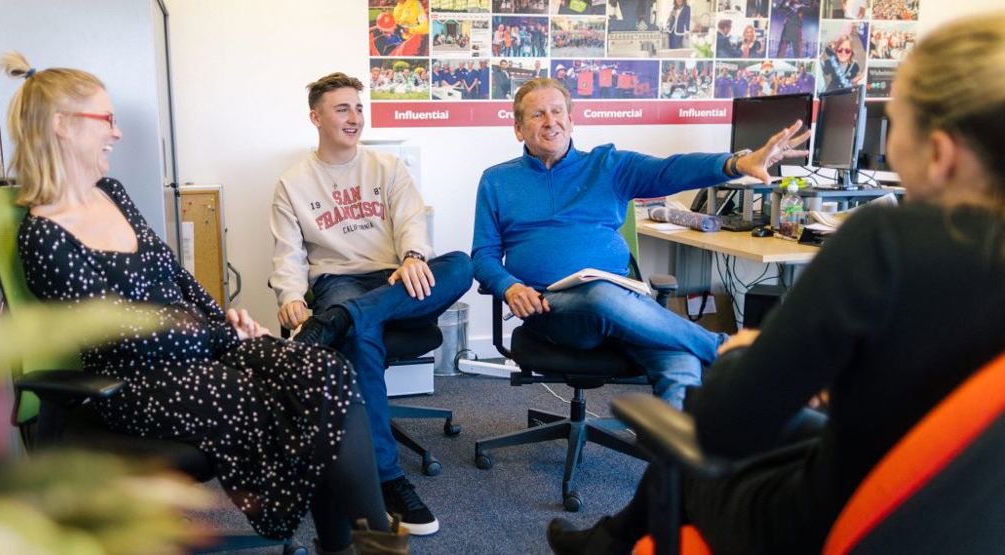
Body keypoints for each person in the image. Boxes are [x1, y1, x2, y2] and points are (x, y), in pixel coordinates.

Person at [547, 11, 1005, 554]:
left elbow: (722, 428)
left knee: (690, 455)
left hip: (829, 518)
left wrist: (744, 356)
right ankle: (608, 541)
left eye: (893, 124)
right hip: (945, 515)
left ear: (940, 153)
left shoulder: (888, 242)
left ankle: (610, 542)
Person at [1, 53, 402, 554]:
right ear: (62, 126)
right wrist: (220, 335)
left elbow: (174, 275)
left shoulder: (112, 192)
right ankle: (351, 542)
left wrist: (224, 318)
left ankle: (353, 544)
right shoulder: (45, 236)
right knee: (270, 399)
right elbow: (121, 331)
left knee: (323, 370)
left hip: (200, 347)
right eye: (106, 120)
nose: (117, 133)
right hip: (138, 379)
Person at [472, 77, 811, 410]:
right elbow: (483, 256)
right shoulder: (497, 180)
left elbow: (670, 170)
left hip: (625, 300)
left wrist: (736, 164)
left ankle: (671, 454)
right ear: (518, 128)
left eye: (558, 112)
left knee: (679, 360)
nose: (551, 122)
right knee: (602, 295)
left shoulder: (608, 165)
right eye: (537, 114)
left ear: (572, 120)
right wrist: (510, 287)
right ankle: (728, 349)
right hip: (553, 309)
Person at [270, 72, 473, 537]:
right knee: (362, 340)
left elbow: (410, 222)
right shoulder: (292, 183)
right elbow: (289, 253)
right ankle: (388, 478)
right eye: (342, 108)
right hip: (337, 281)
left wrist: (414, 257)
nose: (354, 117)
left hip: (394, 279)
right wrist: (292, 297)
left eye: (358, 108)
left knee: (461, 264)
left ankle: (340, 321)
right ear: (315, 117)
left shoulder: (387, 168)